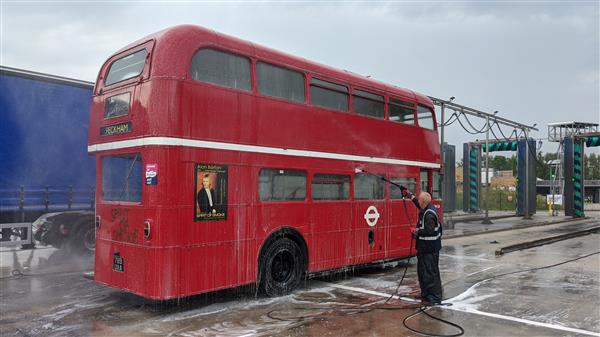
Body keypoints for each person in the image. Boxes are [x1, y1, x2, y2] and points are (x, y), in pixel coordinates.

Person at [402, 189, 443, 304]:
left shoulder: (429, 215)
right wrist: (410, 195)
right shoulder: (426, 207)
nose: (418, 202)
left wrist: (416, 231)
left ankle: (434, 297)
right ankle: (426, 295)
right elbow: (418, 204)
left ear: (423, 202)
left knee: (430, 273)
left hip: (430, 249)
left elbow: (429, 231)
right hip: (424, 249)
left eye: (419, 200)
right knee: (423, 272)